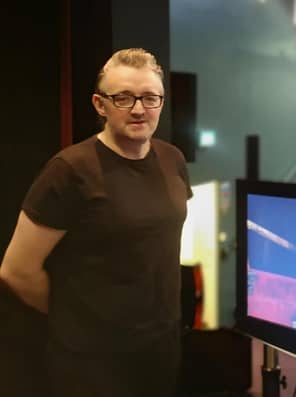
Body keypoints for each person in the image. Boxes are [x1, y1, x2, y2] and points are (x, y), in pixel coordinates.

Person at [0, 48, 193, 397]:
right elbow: (16, 271)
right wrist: (76, 318)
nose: (138, 109)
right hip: (92, 362)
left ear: (162, 102)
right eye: (123, 98)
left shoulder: (172, 159)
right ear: (99, 105)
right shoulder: (69, 171)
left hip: (161, 349)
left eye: (150, 98)